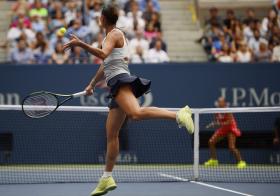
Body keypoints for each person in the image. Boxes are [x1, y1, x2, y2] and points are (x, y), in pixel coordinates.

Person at [62, 4, 194, 196]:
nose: (99, 19)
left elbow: (102, 54)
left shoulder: (114, 34)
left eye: (100, 16)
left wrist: (80, 44)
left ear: (103, 19)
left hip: (121, 81)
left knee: (136, 114)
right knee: (112, 134)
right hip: (114, 84)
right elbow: (104, 64)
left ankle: (179, 115)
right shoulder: (109, 37)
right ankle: (106, 178)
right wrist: (91, 84)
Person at [204, 97, 246, 169]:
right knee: (211, 142)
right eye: (218, 102)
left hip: (231, 129)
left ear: (224, 103)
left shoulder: (227, 110)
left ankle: (241, 162)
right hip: (223, 129)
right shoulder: (217, 111)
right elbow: (217, 121)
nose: (219, 103)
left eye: (221, 102)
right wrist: (213, 124)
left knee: (232, 147)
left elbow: (229, 122)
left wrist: (219, 124)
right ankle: (214, 160)